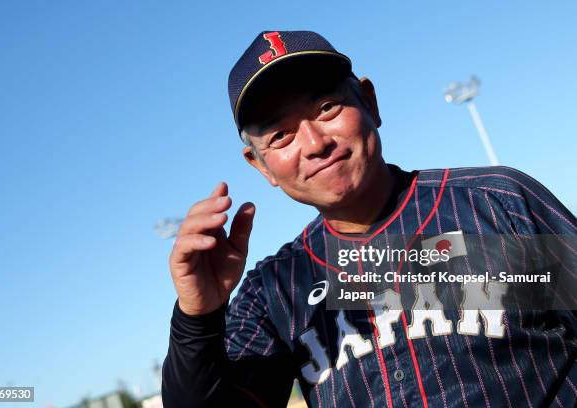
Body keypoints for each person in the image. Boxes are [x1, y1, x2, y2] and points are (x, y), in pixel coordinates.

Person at [161, 31, 577, 407]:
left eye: (326, 107)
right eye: (280, 136)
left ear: (369, 102)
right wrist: (197, 318)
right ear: (261, 166)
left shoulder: (496, 203)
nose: (315, 143)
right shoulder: (276, 290)